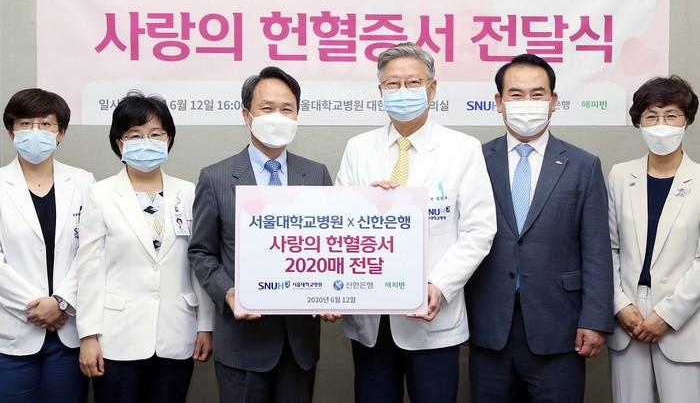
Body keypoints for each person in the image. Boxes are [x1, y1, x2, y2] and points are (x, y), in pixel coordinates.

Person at [334, 42, 497, 403]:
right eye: (393, 84)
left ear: (432, 89)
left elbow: (479, 229)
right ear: (380, 91)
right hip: (373, 322)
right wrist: (365, 205)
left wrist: (439, 284)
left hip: (432, 318)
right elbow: (339, 226)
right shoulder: (358, 148)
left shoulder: (463, 149)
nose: (402, 92)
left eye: (413, 83)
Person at [465, 53, 614, 402]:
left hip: (560, 327)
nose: (527, 103)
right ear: (499, 102)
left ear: (553, 101)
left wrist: (594, 320)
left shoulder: (583, 166)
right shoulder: (474, 160)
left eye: (537, 94)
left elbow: (596, 250)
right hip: (489, 324)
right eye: (516, 95)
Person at [188, 66, 333, 403]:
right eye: (267, 108)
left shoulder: (316, 175)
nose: (277, 117)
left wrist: (332, 293)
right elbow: (201, 252)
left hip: (299, 344)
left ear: (297, 116)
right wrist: (228, 293)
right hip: (243, 342)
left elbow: (329, 246)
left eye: (287, 109)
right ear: (247, 115)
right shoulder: (215, 177)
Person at [76, 91, 214, 403]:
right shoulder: (100, 194)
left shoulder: (188, 192)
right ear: (119, 143)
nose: (146, 141)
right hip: (117, 336)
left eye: (155, 134)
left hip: (176, 333)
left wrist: (205, 325)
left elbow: (199, 262)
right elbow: (89, 270)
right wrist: (88, 335)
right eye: (135, 135)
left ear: (168, 139)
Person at [607, 76, 700, 402]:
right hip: (628, 319)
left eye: (671, 115)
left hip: (683, 321)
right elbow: (608, 248)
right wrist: (620, 304)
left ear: (686, 120)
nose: (661, 125)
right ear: (639, 122)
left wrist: (667, 315)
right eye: (652, 116)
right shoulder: (620, 176)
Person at [0, 88, 94, 403]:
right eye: (25, 124)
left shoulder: (83, 182)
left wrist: (61, 302)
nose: (35, 132)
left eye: (45, 124)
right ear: (12, 130)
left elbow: (92, 252)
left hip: (68, 331)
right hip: (12, 331)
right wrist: (38, 306)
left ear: (61, 132)